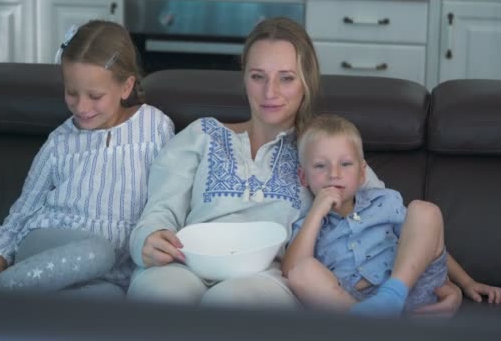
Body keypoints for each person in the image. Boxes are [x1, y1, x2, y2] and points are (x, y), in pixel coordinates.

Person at [126, 17, 468, 314]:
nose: (270, 92)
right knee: (160, 294)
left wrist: (440, 280)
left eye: (286, 78)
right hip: (187, 263)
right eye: (258, 76)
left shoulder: (323, 152)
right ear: (244, 77)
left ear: (306, 82)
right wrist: (149, 239)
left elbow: (390, 220)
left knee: (230, 303)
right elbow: (159, 210)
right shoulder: (201, 134)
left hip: (269, 278)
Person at [0, 20, 175, 297]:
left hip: (113, 275)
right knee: (99, 250)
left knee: (108, 300)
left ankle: (9, 310)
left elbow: (168, 196)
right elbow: (23, 210)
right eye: (71, 93)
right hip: (47, 245)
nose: (81, 107)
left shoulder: (155, 127)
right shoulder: (59, 142)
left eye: (95, 96)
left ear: (126, 87)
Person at [282, 114, 501, 317]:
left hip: (410, 287)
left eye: (346, 164)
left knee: (425, 211)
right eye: (320, 166)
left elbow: (424, 241)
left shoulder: (384, 202)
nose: (334, 173)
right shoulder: (308, 225)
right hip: (353, 302)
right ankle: (366, 322)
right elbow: (291, 269)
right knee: (302, 272)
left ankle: (390, 297)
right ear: (303, 178)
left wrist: (466, 282)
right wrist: (317, 212)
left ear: (361, 174)